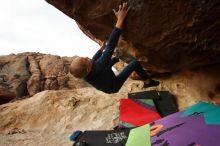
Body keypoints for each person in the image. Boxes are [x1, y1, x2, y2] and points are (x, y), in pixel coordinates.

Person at [69, 2, 159, 94]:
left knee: (112, 60)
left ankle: (115, 60)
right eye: (86, 59)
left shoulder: (84, 73)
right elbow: (111, 45)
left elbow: (93, 60)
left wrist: (101, 49)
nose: (88, 58)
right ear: (88, 69)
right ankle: (148, 82)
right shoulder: (99, 66)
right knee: (134, 63)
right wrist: (120, 19)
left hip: (104, 78)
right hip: (113, 85)